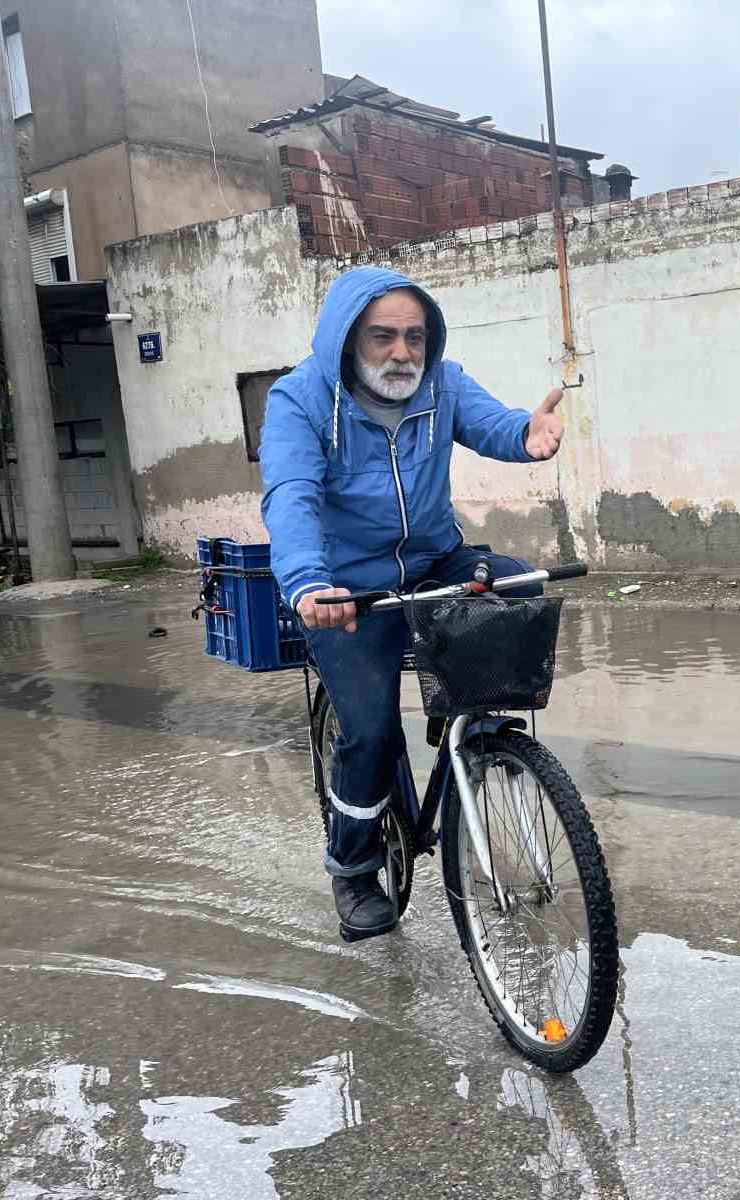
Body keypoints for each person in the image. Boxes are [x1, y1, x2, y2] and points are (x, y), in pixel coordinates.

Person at [260, 266, 564, 941]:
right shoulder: (300, 399)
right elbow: (291, 495)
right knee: (369, 732)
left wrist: (526, 434)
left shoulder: (442, 385)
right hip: (348, 589)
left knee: (517, 582)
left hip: (431, 564)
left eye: (414, 337)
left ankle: (470, 733)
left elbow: (495, 425)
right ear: (347, 339)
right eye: (382, 337)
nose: (402, 353)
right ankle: (354, 864)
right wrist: (311, 583)